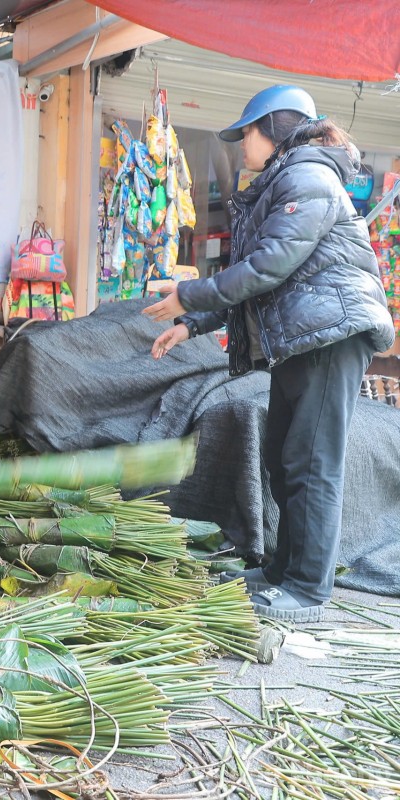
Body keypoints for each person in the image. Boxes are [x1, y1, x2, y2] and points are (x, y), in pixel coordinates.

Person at [143, 85, 395, 623]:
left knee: (312, 462)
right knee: (285, 455)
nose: (241, 147)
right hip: (303, 339)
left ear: (276, 129)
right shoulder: (283, 181)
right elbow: (259, 278)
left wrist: (188, 293)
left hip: (332, 337)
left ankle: (307, 588)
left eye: (247, 135)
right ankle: (284, 570)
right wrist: (192, 324)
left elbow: (267, 268)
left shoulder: (309, 178)